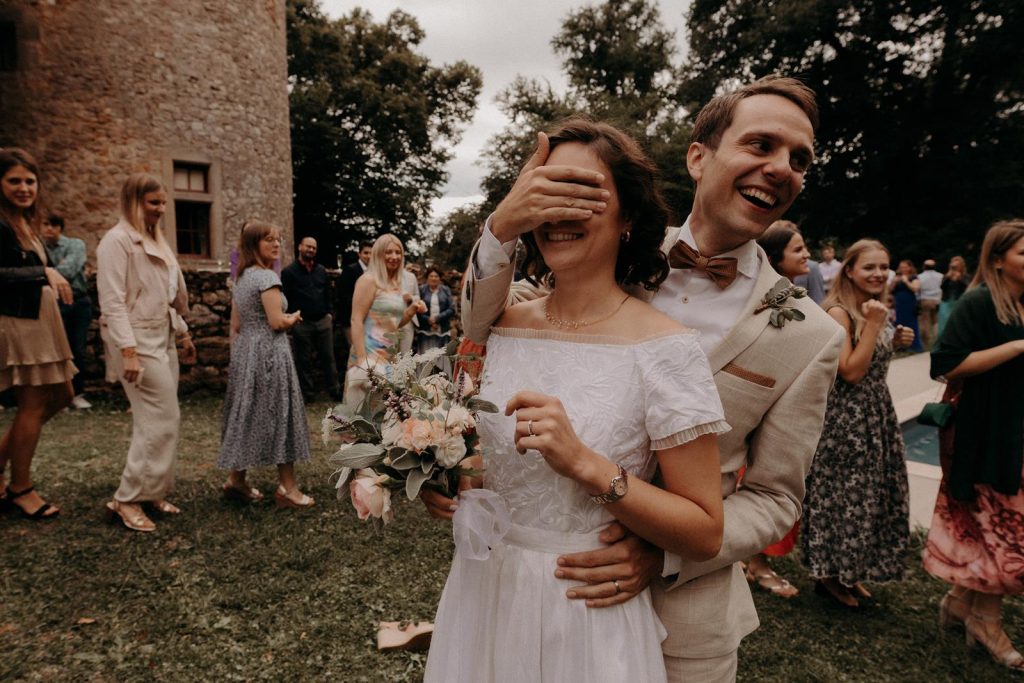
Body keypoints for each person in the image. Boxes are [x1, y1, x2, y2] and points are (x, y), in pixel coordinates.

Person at [448, 76, 844, 680]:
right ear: (698, 156)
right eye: (760, 145)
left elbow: (775, 497)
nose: (780, 168)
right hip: (528, 595)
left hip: (687, 621)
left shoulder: (810, 336)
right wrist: (502, 227)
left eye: (799, 160)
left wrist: (661, 553)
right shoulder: (601, 234)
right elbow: (484, 327)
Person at [422, 118, 727, 682]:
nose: (559, 214)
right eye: (548, 192)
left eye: (583, 194)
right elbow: (490, 456)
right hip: (485, 590)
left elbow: (705, 531)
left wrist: (587, 464)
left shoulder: (666, 349)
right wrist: (454, 478)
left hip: (585, 613)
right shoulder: (504, 324)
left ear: (629, 216)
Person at [922, 220, 1024, 672]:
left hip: (1016, 430)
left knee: (996, 521)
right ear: (998, 259)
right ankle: (987, 621)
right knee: (1002, 528)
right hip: (986, 431)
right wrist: (1018, 347)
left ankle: (960, 602)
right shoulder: (980, 302)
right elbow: (944, 364)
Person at [801, 239, 915, 608]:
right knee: (842, 498)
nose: (879, 274)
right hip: (845, 422)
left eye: (884, 266)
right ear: (848, 270)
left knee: (868, 498)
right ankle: (829, 576)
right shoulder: (838, 312)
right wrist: (875, 326)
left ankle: (849, 574)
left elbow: (871, 363)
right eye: (870, 267)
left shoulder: (871, 310)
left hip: (875, 414)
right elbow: (850, 372)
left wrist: (892, 338)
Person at [97, 173, 196, 532]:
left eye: (163, 202)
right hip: (135, 340)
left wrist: (183, 334)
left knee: (164, 418)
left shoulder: (158, 241)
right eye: (153, 202)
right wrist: (128, 351)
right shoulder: (116, 241)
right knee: (160, 417)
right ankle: (126, 499)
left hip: (163, 336)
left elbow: (169, 295)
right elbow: (112, 302)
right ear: (133, 202)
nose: (160, 209)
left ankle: (152, 490)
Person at [0, 148, 75, 520]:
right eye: (14, 180)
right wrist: (43, 274)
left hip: (42, 321)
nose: (24, 187)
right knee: (32, 405)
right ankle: (21, 488)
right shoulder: (0, 224)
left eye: (30, 181)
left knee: (63, 394)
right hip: (19, 322)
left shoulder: (27, 223)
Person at [217, 221, 314, 508]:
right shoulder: (265, 278)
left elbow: (236, 324)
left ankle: (236, 480)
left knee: (248, 413)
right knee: (281, 414)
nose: (276, 245)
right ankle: (288, 488)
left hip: (247, 352)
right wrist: (293, 317)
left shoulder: (242, 277)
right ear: (253, 245)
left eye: (278, 240)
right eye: (268, 240)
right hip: (270, 354)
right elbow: (276, 322)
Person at [741, 219, 812, 598]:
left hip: (789, 404)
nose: (807, 255)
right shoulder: (758, 302)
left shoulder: (796, 298)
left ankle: (753, 559)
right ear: (776, 257)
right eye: (799, 249)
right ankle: (756, 562)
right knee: (751, 484)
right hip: (756, 406)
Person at [344, 234, 424, 405]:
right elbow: (356, 320)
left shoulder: (394, 284)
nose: (394, 257)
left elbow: (393, 323)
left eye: (398, 252)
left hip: (389, 356)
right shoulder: (368, 280)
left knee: (386, 415)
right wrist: (362, 360)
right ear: (378, 254)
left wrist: (411, 311)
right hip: (368, 354)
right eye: (388, 252)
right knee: (362, 416)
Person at [41, 213, 93, 409]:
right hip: (52, 303)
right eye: (45, 224)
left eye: (53, 225)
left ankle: (77, 394)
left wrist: (47, 271)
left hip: (78, 302)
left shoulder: (75, 245)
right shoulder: (39, 248)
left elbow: (70, 269)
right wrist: (45, 271)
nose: (49, 229)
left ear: (60, 228)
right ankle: (57, 396)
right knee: (54, 350)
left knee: (76, 349)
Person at [281, 236, 341, 403]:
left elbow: (329, 293)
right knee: (303, 360)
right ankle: (307, 394)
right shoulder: (288, 272)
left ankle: (335, 391)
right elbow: (285, 298)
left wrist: (329, 314)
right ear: (300, 247)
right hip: (302, 322)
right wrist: (293, 317)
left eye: (314, 248)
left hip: (323, 320)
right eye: (308, 246)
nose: (311, 250)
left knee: (329, 358)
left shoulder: (321, 271)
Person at [415, 265, 455, 354]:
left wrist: (437, 319)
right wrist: (428, 320)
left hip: (442, 329)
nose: (433, 278)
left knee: (441, 358)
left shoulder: (446, 290)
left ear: (440, 278)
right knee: (424, 358)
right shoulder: (421, 290)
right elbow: (416, 309)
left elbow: (451, 309)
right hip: (425, 330)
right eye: (431, 276)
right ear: (427, 278)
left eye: (436, 276)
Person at [890, 258, 923, 351]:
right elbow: (889, 290)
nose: (902, 269)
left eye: (904, 267)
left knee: (911, 322)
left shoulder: (914, 277)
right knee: (899, 323)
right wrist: (894, 282)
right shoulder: (896, 277)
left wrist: (906, 281)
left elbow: (915, 289)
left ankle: (914, 346)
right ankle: (900, 346)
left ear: (909, 268)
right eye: (901, 267)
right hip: (898, 303)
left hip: (909, 303)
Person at [938, 255, 969, 336]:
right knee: (944, 322)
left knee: (958, 322)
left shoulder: (965, 276)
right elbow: (942, 287)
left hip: (959, 302)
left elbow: (967, 287)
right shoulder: (947, 276)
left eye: (957, 266)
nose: (955, 267)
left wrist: (959, 279)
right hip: (946, 301)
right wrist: (948, 277)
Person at [917, 258, 943, 348]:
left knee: (925, 321)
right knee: (936, 320)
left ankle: (926, 341)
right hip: (937, 300)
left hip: (925, 299)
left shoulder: (920, 276)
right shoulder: (940, 276)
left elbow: (918, 289)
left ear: (924, 266)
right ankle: (937, 339)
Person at [397, 263, 421, 354]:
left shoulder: (411, 277)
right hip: (390, 319)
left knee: (405, 352)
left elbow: (417, 296)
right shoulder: (383, 275)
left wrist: (411, 298)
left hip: (408, 320)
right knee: (390, 354)